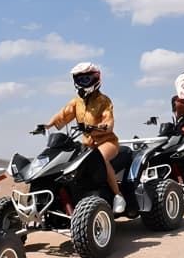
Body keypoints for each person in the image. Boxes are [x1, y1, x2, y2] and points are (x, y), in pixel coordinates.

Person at [44, 62, 126, 214]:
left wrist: (99, 127)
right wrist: (46, 125)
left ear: (95, 79)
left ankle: (118, 195)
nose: (82, 83)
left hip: (107, 142)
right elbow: (64, 114)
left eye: (86, 79)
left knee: (100, 158)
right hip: (87, 144)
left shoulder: (104, 100)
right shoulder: (77, 101)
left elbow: (109, 121)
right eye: (79, 79)